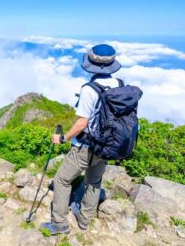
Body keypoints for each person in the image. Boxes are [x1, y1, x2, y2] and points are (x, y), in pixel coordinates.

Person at [41, 44, 123, 234]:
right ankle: (86, 218)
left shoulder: (89, 89)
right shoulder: (119, 83)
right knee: (94, 181)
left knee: (61, 180)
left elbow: (82, 124)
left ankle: (59, 224)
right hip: (106, 145)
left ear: (91, 63)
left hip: (85, 147)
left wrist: (62, 138)